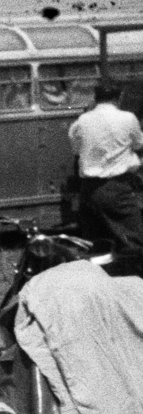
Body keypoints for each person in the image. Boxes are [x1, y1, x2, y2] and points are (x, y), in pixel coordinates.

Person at [68, 82, 143, 273]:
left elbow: (76, 150)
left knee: (96, 243)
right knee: (134, 239)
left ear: (95, 98)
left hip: (88, 189)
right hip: (117, 188)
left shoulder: (82, 121)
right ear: (118, 97)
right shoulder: (127, 118)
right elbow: (138, 144)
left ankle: (101, 281)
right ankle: (134, 280)